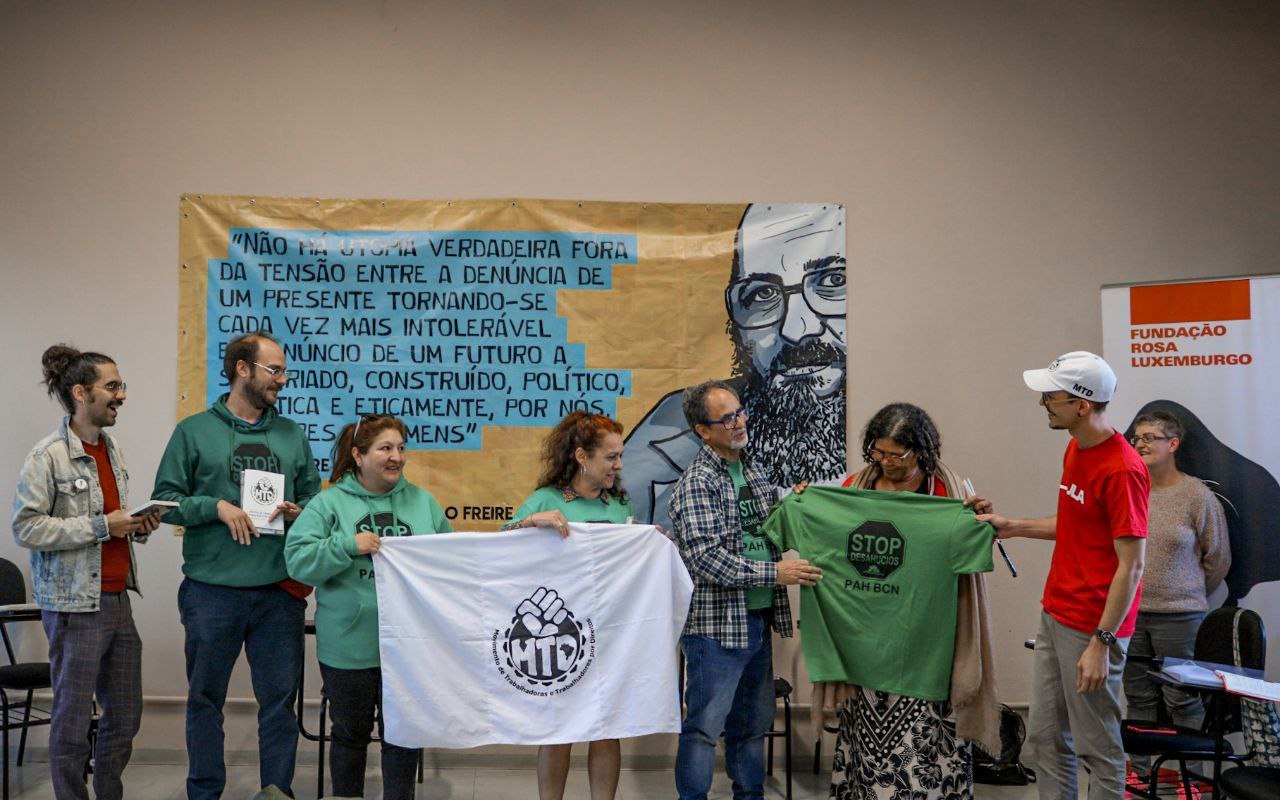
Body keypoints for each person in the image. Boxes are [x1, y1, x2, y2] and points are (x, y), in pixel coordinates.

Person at [152, 330, 322, 799]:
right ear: (242, 369)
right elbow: (164, 501)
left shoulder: (291, 434)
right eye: (274, 370)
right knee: (205, 700)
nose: (282, 380)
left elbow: (316, 500)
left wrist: (300, 512)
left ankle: (276, 792)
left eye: (284, 371)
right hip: (211, 592)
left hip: (278, 594)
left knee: (280, 704)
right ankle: (205, 792)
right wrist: (216, 507)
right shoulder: (193, 432)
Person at [980, 351, 1148, 800]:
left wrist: (1102, 642)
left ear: (1083, 405)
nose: (1044, 404)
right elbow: (1076, 524)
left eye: (1051, 397)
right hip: (1056, 614)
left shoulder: (1122, 469)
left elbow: (1132, 565)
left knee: (1098, 748)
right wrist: (1013, 526)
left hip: (1093, 627)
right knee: (1046, 739)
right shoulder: (1076, 448)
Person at [808, 402, 997, 800]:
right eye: (878, 452)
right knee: (865, 747)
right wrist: (808, 503)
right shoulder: (855, 490)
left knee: (929, 744)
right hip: (866, 646)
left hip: (927, 646)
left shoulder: (949, 494)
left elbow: (970, 553)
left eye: (897, 454)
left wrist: (979, 520)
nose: (886, 462)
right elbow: (830, 538)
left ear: (922, 451)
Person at [623, 203, 847, 530]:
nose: (796, 330)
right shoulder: (671, 433)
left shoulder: (877, 453)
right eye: (763, 294)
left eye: (832, 280)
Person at [11, 345, 160, 800]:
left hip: (118, 600)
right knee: (73, 721)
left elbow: (110, 522)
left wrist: (135, 526)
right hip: (74, 607)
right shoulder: (48, 455)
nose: (121, 395)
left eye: (121, 385)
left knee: (126, 716)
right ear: (81, 393)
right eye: (112, 386)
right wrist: (102, 525)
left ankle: (108, 793)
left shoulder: (111, 449)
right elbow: (26, 527)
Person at [667, 380, 823, 800]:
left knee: (752, 727)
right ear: (703, 430)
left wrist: (799, 502)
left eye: (739, 412)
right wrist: (775, 574)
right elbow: (706, 559)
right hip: (715, 630)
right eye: (726, 419)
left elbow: (771, 524)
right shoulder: (697, 482)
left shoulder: (753, 469)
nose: (739, 423)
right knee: (704, 729)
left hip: (756, 620)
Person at [284, 414, 450, 800]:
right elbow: (298, 562)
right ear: (358, 456)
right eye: (385, 448)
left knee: (403, 738)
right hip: (349, 649)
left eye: (401, 448)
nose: (397, 457)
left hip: (409, 647)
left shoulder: (423, 503)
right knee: (349, 736)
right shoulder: (328, 504)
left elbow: (449, 562)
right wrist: (346, 546)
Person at [503, 410, 635, 800]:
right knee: (558, 728)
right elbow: (499, 546)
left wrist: (648, 542)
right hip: (561, 636)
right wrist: (531, 522)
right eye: (611, 457)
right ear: (581, 457)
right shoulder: (545, 499)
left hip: (609, 633)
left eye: (620, 456)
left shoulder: (618, 503)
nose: (618, 465)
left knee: (606, 728)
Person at [1122, 410, 1230, 783]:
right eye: (1137, 438)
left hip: (1180, 618)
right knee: (1138, 697)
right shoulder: (1129, 490)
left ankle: (1191, 779)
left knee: (1182, 699)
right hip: (1130, 614)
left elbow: (1217, 559)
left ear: (1173, 444)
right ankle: (1140, 774)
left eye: (1149, 437)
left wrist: (1186, 591)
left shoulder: (1197, 496)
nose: (1140, 444)